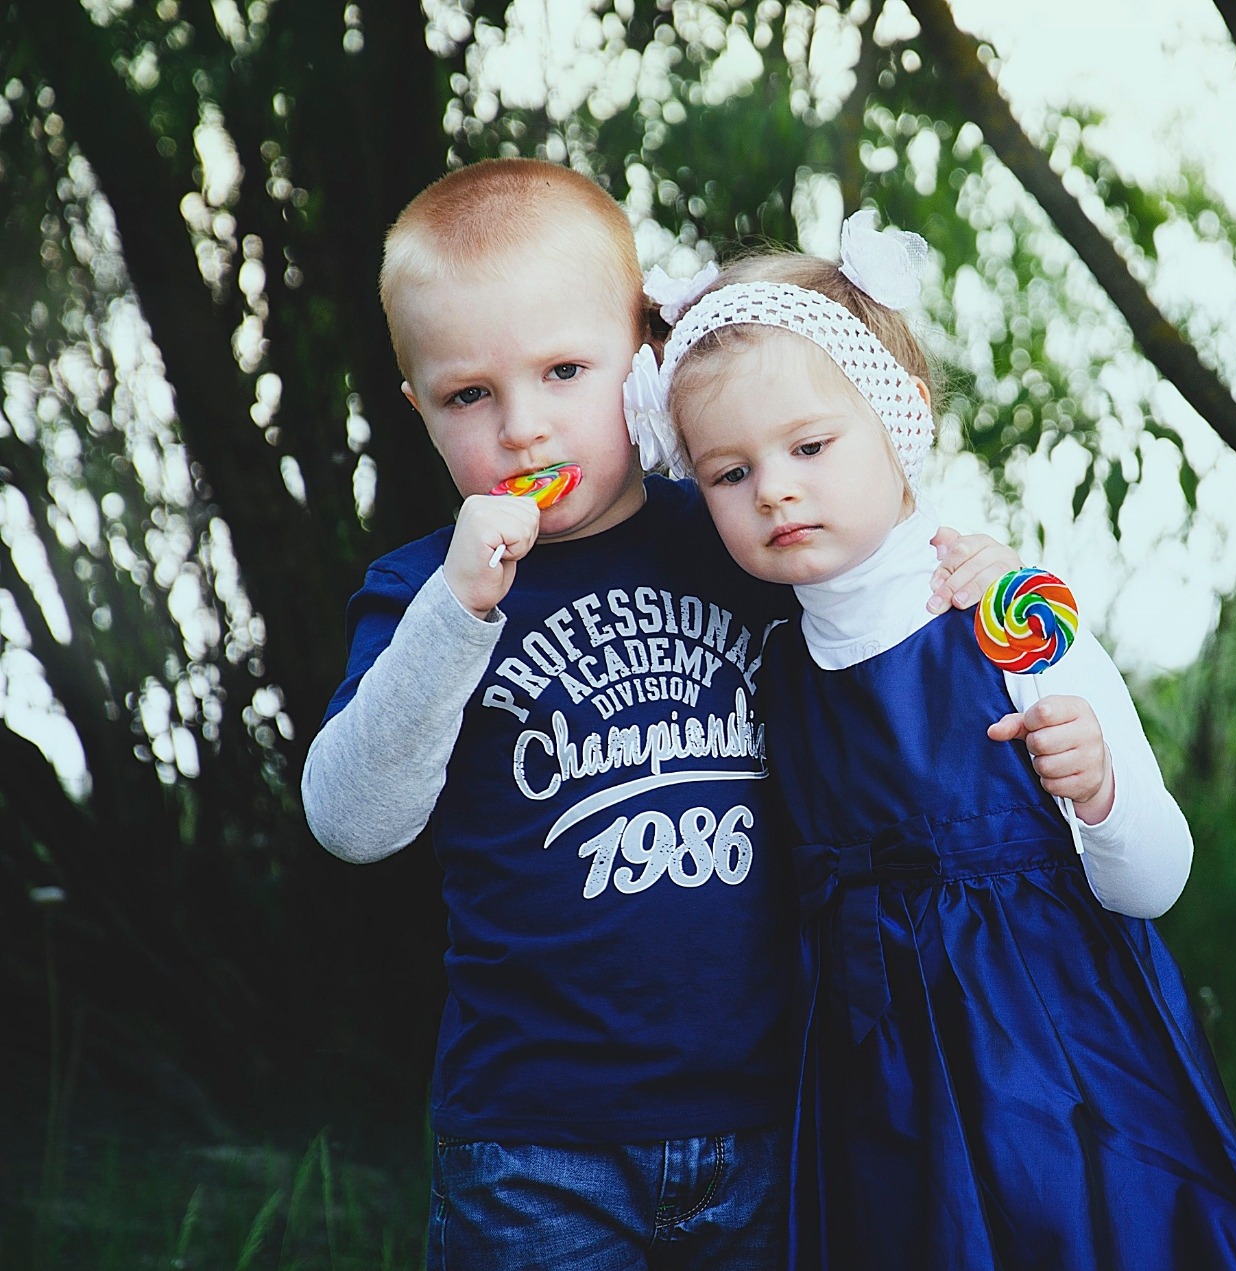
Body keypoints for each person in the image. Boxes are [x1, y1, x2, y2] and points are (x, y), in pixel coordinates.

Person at [300, 159, 1016, 1271]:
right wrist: (455, 612)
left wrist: (973, 567)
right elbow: (351, 819)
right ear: (419, 410)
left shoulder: (737, 530)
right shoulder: (422, 591)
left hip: (775, 1103)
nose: (525, 428)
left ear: (643, 351)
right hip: (537, 1143)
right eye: (468, 396)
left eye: (565, 370)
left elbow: (878, 582)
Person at [647, 214, 1236, 1270]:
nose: (773, 487)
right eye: (728, 473)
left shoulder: (1004, 611)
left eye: (811, 446)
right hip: (872, 1085)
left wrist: (1096, 789)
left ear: (902, 419)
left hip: (1049, 1058)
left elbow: (1156, 880)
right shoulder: (772, 667)